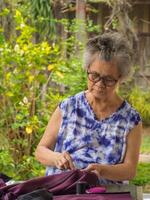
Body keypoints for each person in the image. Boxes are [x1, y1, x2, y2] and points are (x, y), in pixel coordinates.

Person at [35, 32, 142, 184]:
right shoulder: (68, 107)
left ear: (120, 78)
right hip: (62, 189)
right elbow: (40, 151)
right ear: (87, 69)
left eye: (108, 79)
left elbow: (130, 170)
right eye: (94, 76)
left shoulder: (131, 120)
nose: (99, 84)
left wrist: (102, 170)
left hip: (103, 193)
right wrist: (57, 158)